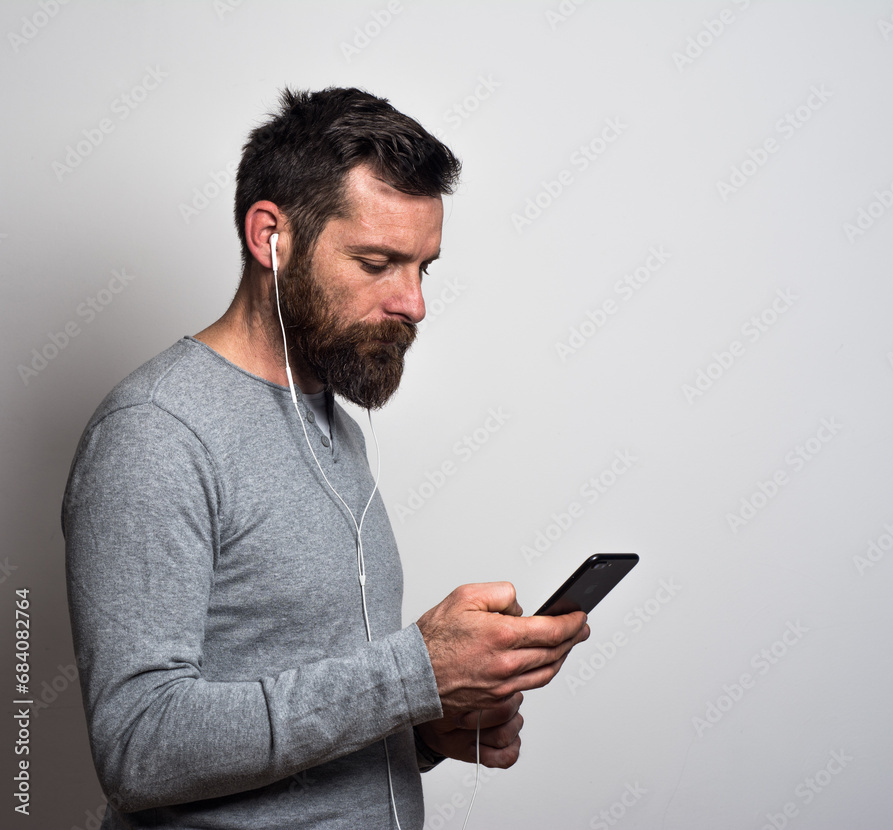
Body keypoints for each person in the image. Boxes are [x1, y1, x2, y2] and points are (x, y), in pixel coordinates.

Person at [62, 87, 589, 830]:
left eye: (423, 268)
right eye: (377, 262)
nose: (414, 303)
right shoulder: (156, 433)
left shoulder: (330, 422)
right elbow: (139, 749)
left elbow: (314, 698)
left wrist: (426, 729)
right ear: (269, 237)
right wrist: (417, 672)